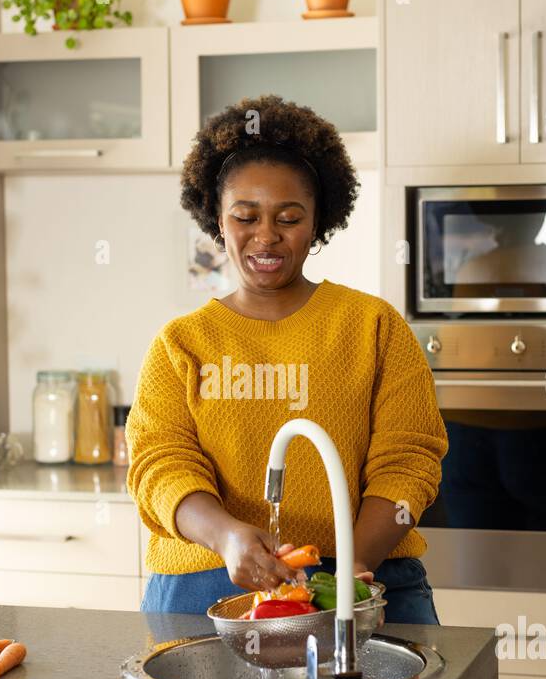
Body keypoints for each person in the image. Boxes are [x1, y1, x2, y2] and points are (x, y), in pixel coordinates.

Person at [126, 95, 449, 625]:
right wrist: (229, 537)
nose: (267, 235)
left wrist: (352, 564)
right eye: (245, 216)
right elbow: (160, 467)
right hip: (204, 585)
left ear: (319, 220)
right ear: (217, 220)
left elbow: (409, 461)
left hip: (363, 576)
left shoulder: (374, 327)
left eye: (289, 217)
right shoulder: (180, 344)